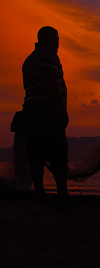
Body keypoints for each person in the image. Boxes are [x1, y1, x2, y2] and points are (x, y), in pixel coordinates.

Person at [22, 26, 70, 197]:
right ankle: (62, 192)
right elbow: (51, 83)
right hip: (47, 110)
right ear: (47, 40)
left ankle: (39, 191)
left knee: (36, 152)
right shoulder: (49, 55)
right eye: (56, 39)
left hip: (32, 110)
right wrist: (61, 110)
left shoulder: (28, 60)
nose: (58, 43)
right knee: (58, 151)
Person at [10, 111, 31, 186]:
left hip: (26, 144)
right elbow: (12, 128)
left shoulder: (23, 114)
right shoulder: (19, 115)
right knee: (20, 166)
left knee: (26, 167)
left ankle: (26, 185)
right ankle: (22, 185)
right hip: (20, 144)